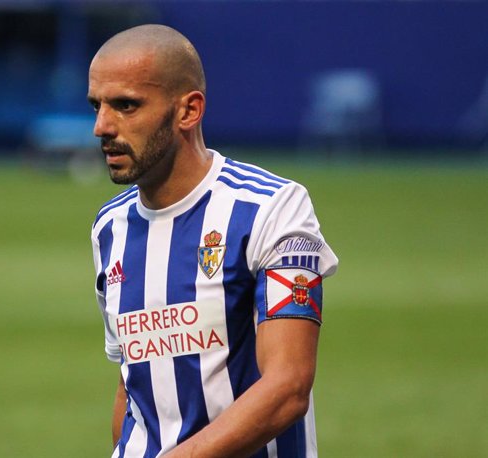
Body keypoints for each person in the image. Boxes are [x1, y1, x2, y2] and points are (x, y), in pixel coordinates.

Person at [88, 24, 338, 458]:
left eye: (126, 106)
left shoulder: (271, 209)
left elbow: (288, 386)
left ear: (189, 110)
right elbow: (132, 383)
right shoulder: (110, 226)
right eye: (97, 106)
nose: (101, 126)